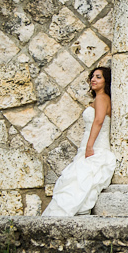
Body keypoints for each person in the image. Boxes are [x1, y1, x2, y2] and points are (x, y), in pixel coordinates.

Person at [43, 67, 117, 216]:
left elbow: (98, 121)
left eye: (98, 77)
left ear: (106, 81)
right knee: (77, 183)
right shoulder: (98, 99)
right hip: (88, 148)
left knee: (81, 182)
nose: (93, 80)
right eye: (92, 77)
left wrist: (89, 146)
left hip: (96, 149)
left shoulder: (102, 98)